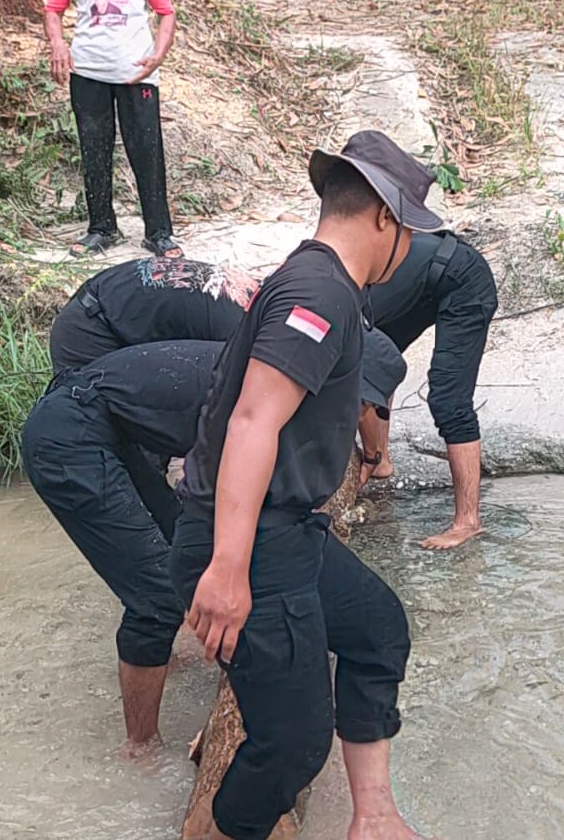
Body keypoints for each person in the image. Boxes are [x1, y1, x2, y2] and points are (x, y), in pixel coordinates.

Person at [171, 130, 439, 840]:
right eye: (408, 227)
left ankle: (373, 817)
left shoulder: (318, 282)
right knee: (291, 744)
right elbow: (253, 420)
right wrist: (227, 569)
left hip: (282, 530)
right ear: (385, 215)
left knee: (376, 627)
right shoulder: (319, 291)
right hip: (250, 540)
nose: (408, 244)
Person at [20, 333, 408, 758]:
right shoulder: (257, 394)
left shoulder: (290, 384)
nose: (356, 412)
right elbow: (216, 498)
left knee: (183, 547)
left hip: (110, 425)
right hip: (67, 434)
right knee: (156, 597)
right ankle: (140, 747)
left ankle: (178, 657)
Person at [362, 229, 497, 551]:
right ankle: (382, 464)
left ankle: (468, 522)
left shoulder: (330, 304)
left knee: (449, 400)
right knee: (378, 356)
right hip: (426, 280)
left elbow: (358, 386)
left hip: (463, 278)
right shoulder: (315, 292)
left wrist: (364, 455)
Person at [44, 0, 181, 258]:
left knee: (147, 150)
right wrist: (57, 45)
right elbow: (53, 9)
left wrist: (158, 55)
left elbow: (166, 12)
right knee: (94, 149)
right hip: (87, 69)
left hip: (136, 72)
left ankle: (159, 232)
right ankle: (101, 228)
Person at [48, 256, 258, 374]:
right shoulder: (238, 331)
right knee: (90, 420)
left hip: (113, 309)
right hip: (89, 332)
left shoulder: (260, 294)